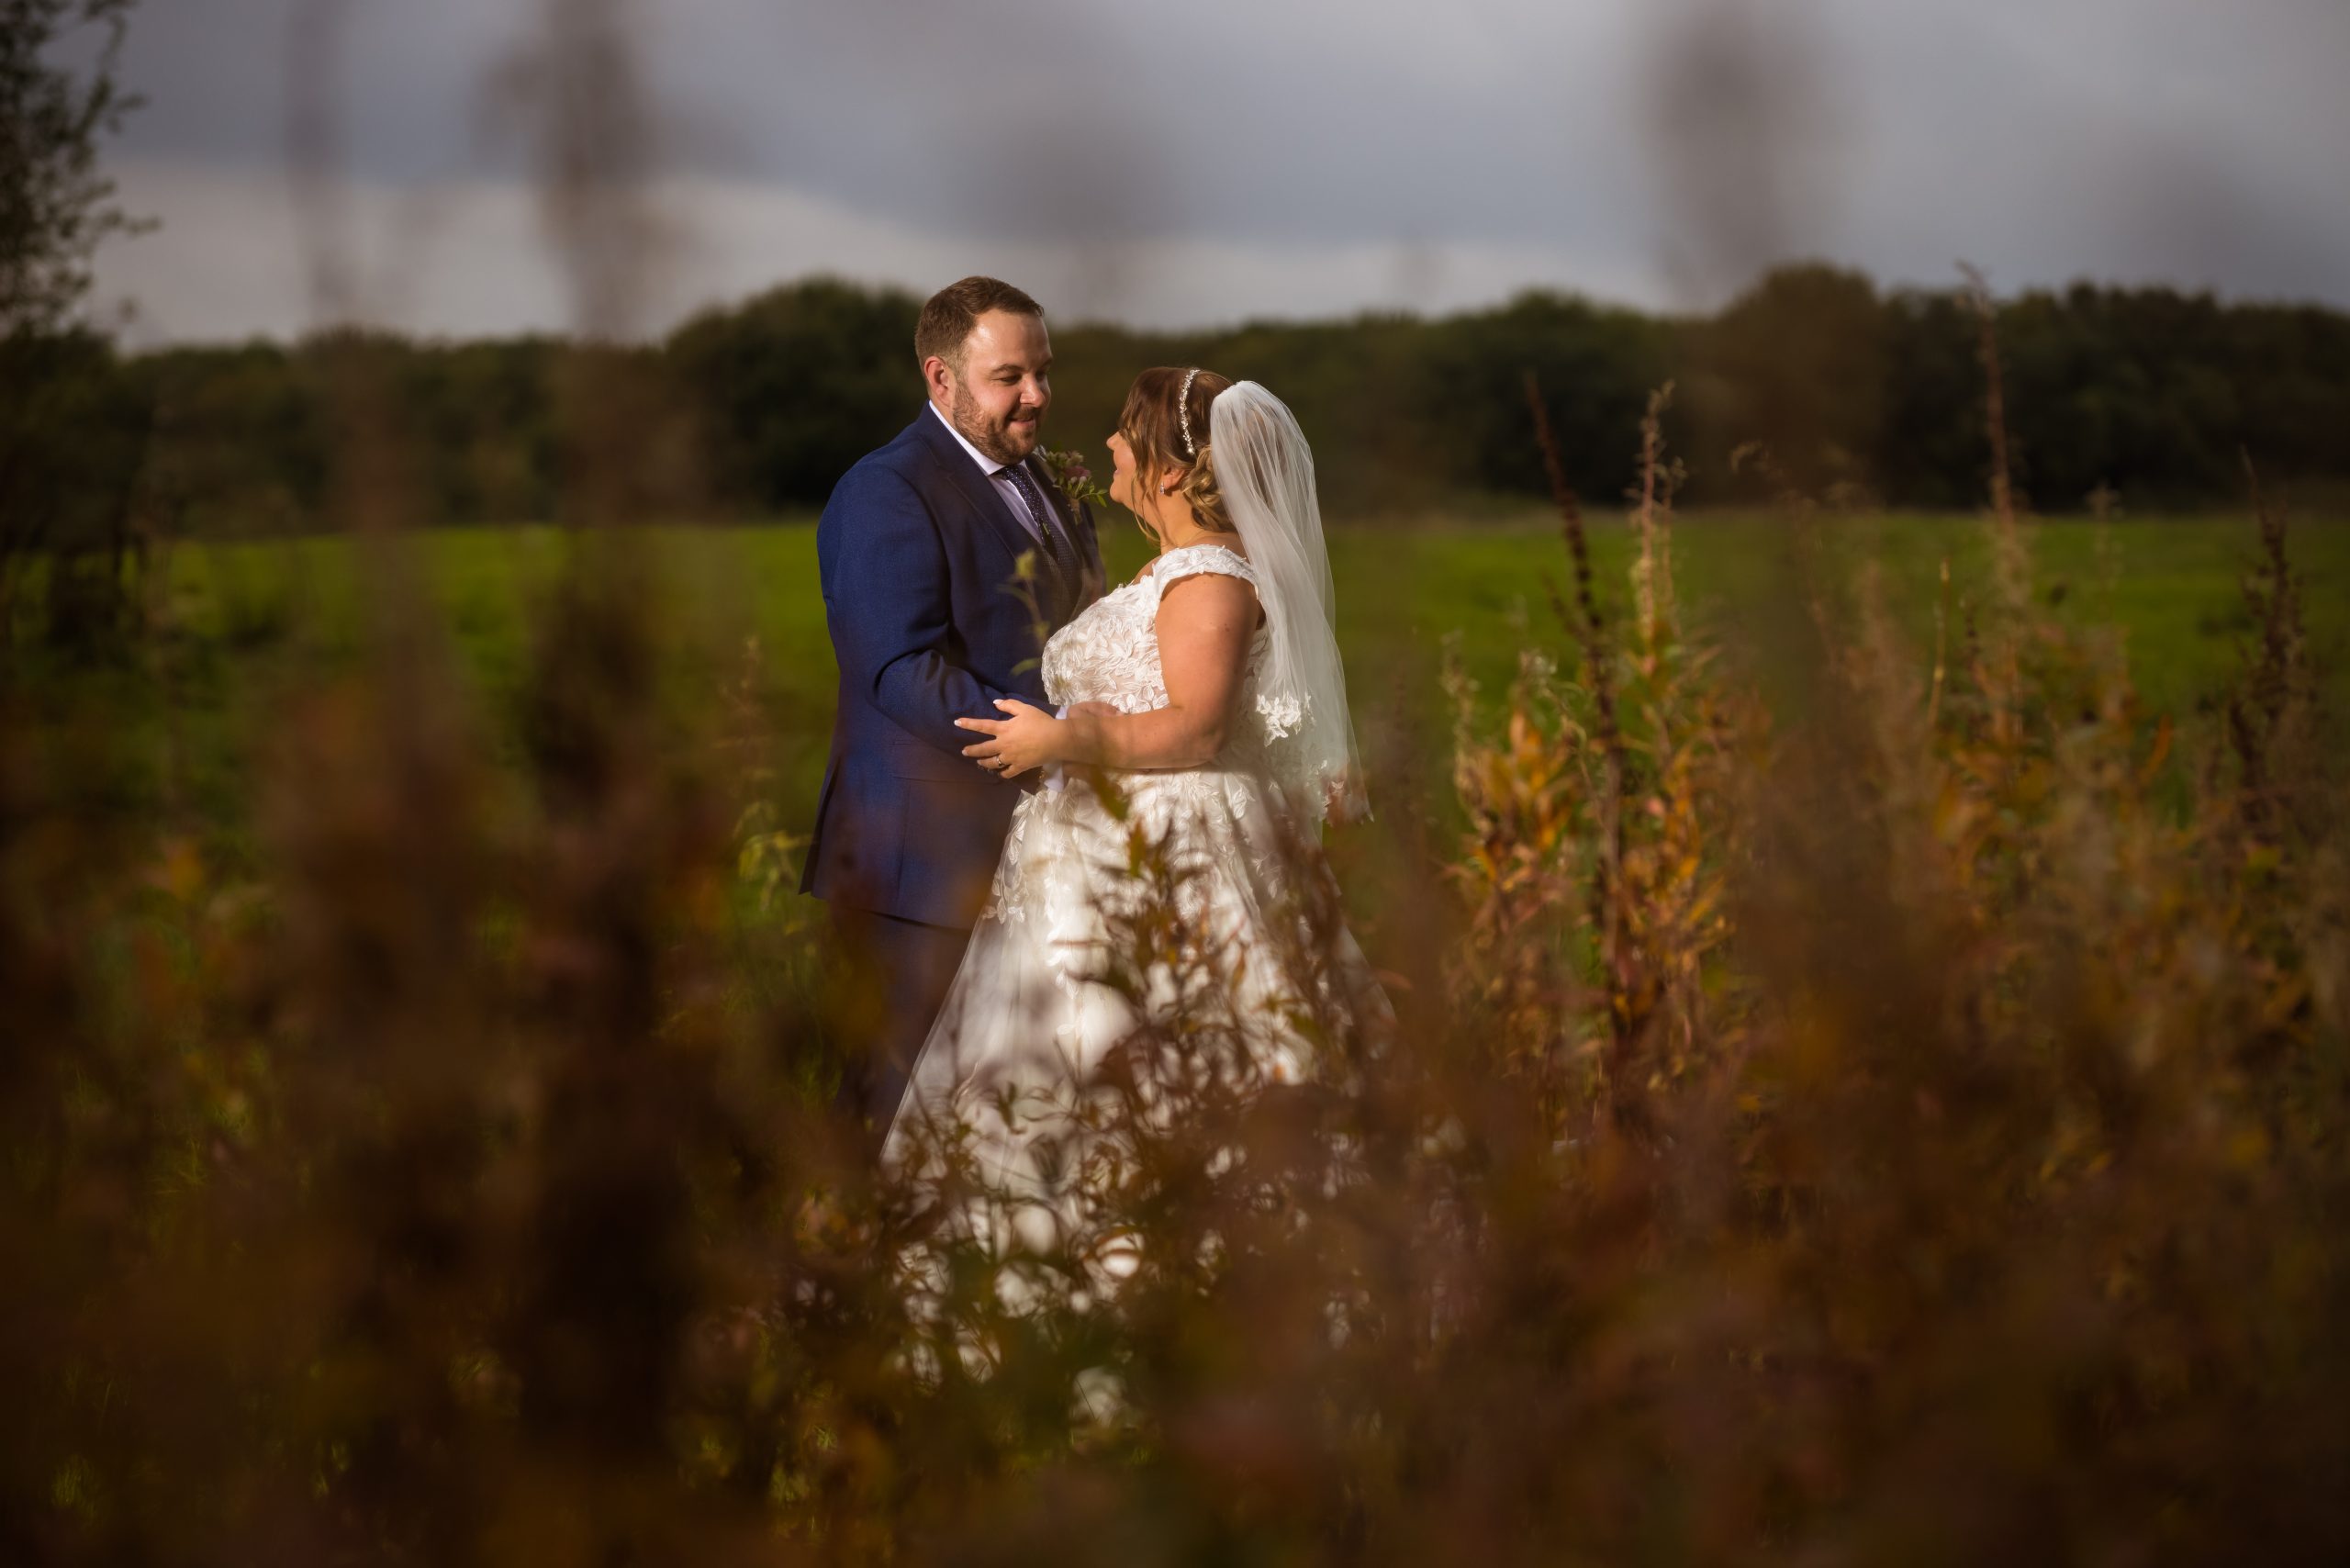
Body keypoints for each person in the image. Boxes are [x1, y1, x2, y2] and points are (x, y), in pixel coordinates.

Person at [882, 366, 1382, 1249]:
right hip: (1101, 842)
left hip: (1168, 839)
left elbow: (1195, 730)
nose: (1108, 443)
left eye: (1125, 431)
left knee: (1158, 1035)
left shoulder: (1209, 580)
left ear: (1175, 468)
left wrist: (1061, 741)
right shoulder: (1172, 571)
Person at [800, 276, 1104, 1145]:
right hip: (916, 854)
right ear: (941, 377)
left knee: (988, 1105)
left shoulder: (1045, 479)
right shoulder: (885, 490)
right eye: (1010, 377)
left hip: (1036, 850)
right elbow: (895, 665)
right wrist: (1046, 747)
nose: (1037, 397)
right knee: (885, 1102)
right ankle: (830, 1276)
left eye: (1043, 373)